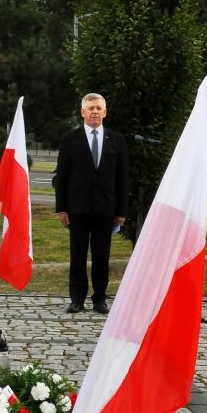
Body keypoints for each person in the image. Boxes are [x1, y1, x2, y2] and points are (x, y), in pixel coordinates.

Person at [55, 93, 129, 314]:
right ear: (83, 112)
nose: (94, 112)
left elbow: (122, 178)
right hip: (77, 208)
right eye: (90, 108)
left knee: (101, 256)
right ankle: (77, 299)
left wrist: (121, 210)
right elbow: (62, 176)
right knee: (77, 255)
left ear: (104, 112)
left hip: (106, 209)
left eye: (98, 108)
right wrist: (62, 208)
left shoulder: (117, 140)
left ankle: (100, 298)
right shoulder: (70, 139)